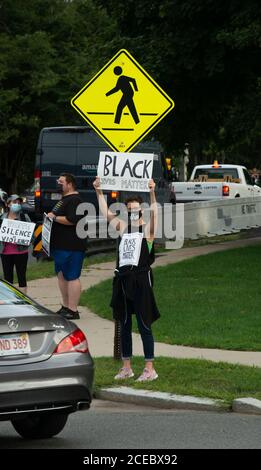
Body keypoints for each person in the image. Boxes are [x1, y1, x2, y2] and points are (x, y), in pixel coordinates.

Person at [93, 177, 160, 382]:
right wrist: (98, 191)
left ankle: (149, 368)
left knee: (144, 324)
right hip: (122, 281)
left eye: (136, 208)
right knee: (124, 323)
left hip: (141, 281)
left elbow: (156, 214)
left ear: (141, 209)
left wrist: (152, 192)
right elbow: (105, 212)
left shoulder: (147, 230)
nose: (132, 210)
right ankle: (126, 367)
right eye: (129, 208)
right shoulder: (123, 227)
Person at [47, 173, 87, 320]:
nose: (58, 183)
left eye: (61, 181)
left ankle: (73, 309)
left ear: (70, 184)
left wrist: (54, 217)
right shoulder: (64, 200)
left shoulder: (75, 200)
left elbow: (73, 219)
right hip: (61, 246)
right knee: (62, 275)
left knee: (72, 276)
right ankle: (66, 306)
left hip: (72, 245)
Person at [0, 194, 31, 294]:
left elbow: (31, 235)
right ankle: (11, 301)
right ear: (8, 204)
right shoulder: (2, 218)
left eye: (19, 202)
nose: (17, 204)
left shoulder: (24, 217)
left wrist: (26, 239)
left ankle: (24, 301)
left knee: (22, 277)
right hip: (5, 253)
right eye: (14, 202)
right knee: (8, 278)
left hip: (21, 252)